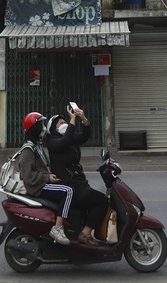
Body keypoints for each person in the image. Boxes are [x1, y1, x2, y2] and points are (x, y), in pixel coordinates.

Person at [46, 103, 109, 245]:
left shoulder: (69, 139)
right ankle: (85, 234)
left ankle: (81, 230)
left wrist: (83, 118)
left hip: (79, 182)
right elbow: (65, 140)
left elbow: (84, 136)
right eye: (61, 123)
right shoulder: (53, 141)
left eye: (65, 121)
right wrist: (72, 120)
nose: (65, 124)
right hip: (70, 185)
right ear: (53, 128)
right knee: (101, 201)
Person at [17, 112, 74, 246]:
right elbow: (28, 176)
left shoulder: (37, 145)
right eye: (41, 124)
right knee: (68, 191)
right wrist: (47, 177)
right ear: (34, 128)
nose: (43, 127)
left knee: (69, 186)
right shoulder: (28, 149)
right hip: (37, 187)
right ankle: (57, 228)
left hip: (43, 183)